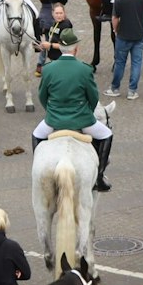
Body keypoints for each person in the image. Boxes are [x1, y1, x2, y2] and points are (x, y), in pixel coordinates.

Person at [34, 30, 113, 190]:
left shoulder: (48, 69)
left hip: (54, 120)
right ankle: (99, 176)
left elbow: (42, 96)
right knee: (107, 134)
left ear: (60, 48)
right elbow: (93, 98)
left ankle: (38, 174)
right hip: (82, 119)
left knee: (36, 135)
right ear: (75, 49)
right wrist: (86, 112)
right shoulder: (85, 69)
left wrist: (52, 112)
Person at [107, 0, 143, 99]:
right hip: (140, 35)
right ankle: (132, 91)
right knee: (136, 63)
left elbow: (115, 18)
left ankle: (115, 88)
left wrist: (116, 30)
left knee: (120, 62)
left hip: (123, 35)